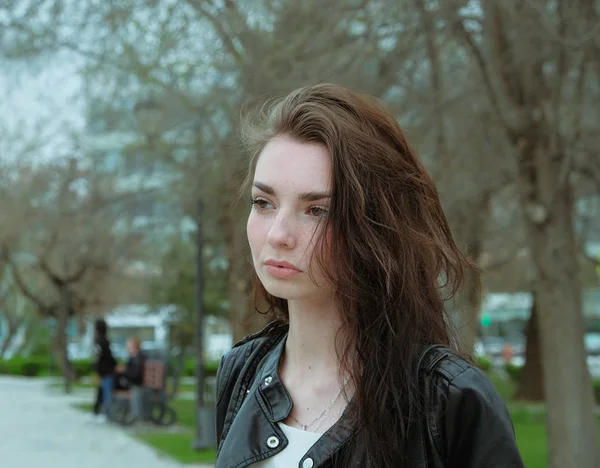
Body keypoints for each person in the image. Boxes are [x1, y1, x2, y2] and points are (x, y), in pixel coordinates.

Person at [214, 84, 525, 467]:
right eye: (264, 203)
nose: (278, 234)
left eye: (317, 210)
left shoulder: (447, 399)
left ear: (374, 227)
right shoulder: (242, 371)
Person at [116, 337, 146, 422]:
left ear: (135, 346)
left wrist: (124, 370)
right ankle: (119, 411)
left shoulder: (137, 358)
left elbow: (135, 374)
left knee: (113, 382)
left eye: (129, 346)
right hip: (132, 382)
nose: (128, 348)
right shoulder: (134, 357)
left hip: (135, 383)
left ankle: (133, 415)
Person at [93, 318, 117, 421]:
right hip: (107, 371)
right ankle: (107, 413)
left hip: (101, 371)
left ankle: (98, 411)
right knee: (107, 392)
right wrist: (115, 365)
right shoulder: (104, 342)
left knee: (102, 391)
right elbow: (108, 357)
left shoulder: (97, 341)